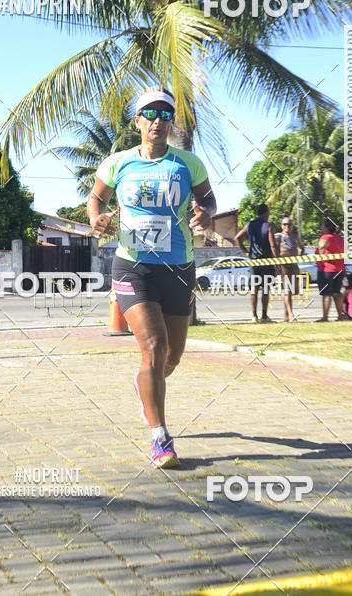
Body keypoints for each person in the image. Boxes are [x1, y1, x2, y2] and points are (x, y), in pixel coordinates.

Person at [87, 87, 216, 470]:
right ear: (137, 121)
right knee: (155, 347)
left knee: (171, 357)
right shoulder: (118, 163)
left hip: (178, 267)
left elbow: (209, 200)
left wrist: (206, 214)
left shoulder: (188, 163)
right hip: (133, 266)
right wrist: (96, 218)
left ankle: (144, 384)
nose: (158, 120)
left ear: (171, 121)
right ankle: (160, 438)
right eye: (150, 113)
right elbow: (96, 198)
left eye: (165, 114)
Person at [234, 204, 277, 323]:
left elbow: (237, 238)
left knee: (254, 288)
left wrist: (246, 252)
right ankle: (264, 316)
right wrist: (277, 260)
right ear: (266, 213)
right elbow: (273, 245)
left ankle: (254, 316)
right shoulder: (268, 226)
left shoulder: (249, 225)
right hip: (267, 262)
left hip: (254, 261)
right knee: (266, 289)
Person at [316, 219, 345, 321]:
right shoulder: (340, 238)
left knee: (326, 294)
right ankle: (340, 316)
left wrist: (321, 255)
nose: (321, 228)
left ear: (326, 228)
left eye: (322, 226)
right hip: (340, 269)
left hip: (327, 270)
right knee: (337, 292)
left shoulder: (325, 237)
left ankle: (325, 317)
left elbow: (322, 245)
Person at [275, 217, 303, 322]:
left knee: (293, 291)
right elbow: (275, 250)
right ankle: (291, 315)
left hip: (294, 265)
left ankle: (286, 316)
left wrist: (299, 256)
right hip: (284, 266)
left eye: (289, 224)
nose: (287, 226)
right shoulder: (278, 237)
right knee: (288, 290)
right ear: (281, 226)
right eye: (285, 224)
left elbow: (302, 247)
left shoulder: (295, 237)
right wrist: (277, 264)